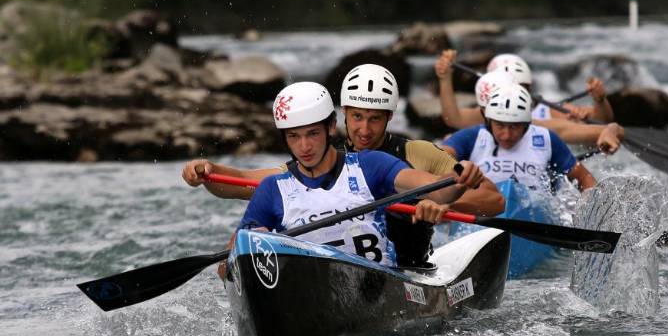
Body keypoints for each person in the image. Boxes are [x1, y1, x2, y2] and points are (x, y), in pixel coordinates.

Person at [183, 64, 504, 267]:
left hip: (407, 268)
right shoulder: (321, 154)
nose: (364, 130)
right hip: (333, 266)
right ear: (342, 118)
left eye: (374, 119)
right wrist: (208, 172)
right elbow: (246, 181)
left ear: (390, 117)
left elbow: (488, 199)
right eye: (357, 117)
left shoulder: (403, 156)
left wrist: (434, 200)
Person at [435, 50, 624, 155]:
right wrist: (445, 78)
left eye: (521, 87)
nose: (513, 95)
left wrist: (600, 102)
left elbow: (603, 123)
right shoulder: (478, 123)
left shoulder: (544, 122)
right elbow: (453, 119)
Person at [441, 83, 596, 193]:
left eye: (514, 126)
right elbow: (437, 158)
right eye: (500, 125)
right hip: (483, 214)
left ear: (527, 124)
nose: (506, 135)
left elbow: (584, 178)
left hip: (534, 220)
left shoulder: (547, 139)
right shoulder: (471, 137)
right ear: (488, 121)